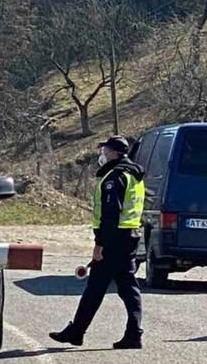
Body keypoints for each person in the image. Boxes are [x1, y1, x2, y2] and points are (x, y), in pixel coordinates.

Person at [50, 135, 145, 349]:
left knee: (96, 287)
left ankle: (76, 332)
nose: (102, 154)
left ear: (113, 152)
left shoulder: (115, 177)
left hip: (114, 238)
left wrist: (100, 244)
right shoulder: (133, 175)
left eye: (104, 150)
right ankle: (133, 333)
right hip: (129, 236)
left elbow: (110, 213)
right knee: (128, 288)